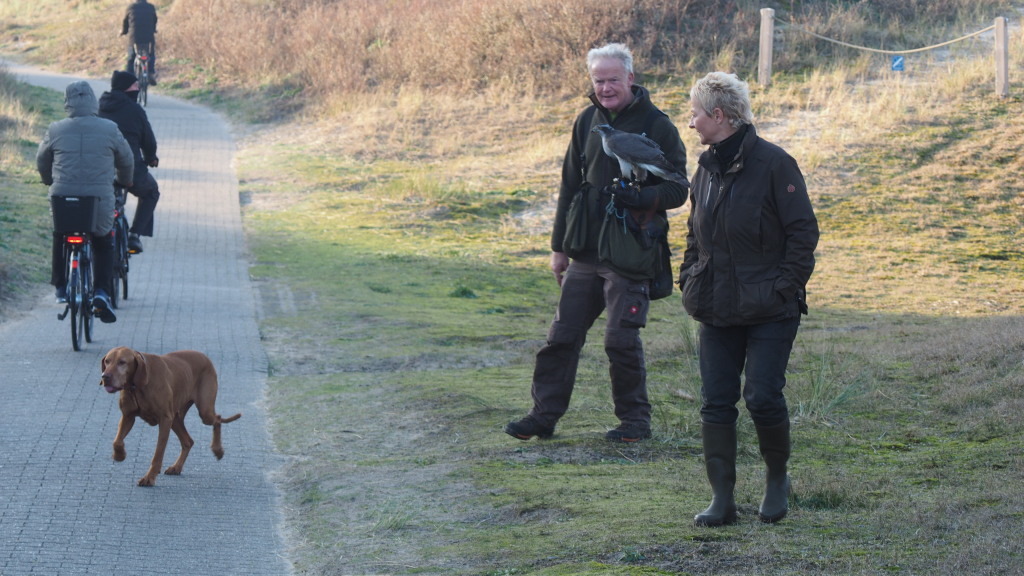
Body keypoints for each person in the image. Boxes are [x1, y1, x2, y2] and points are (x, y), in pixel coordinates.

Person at [505, 43, 688, 443]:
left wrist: (641, 196)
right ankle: (543, 416)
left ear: (630, 79)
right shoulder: (586, 120)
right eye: (598, 80)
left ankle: (634, 423)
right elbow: (569, 185)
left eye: (613, 80)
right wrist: (559, 248)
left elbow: (679, 189)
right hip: (585, 251)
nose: (605, 88)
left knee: (621, 341)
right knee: (561, 337)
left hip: (631, 252)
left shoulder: (658, 125)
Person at [680, 72, 819, 526]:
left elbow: (803, 233)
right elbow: (694, 233)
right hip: (715, 306)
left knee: (761, 395)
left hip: (770, 309)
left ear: (719, 115)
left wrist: (784, 288)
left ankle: (777, 480)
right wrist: (689, 276)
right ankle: (722, 500)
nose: (691, 122)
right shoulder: (705, 169)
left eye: (696, 114)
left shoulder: (776, 164)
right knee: (715, 401)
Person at [37, 81, 134, 323]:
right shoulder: (109, 129)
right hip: (99, 198)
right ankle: (101, 291)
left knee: (60, 234)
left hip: (63, 197)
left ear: (67, 102)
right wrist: (125, 181)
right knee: (103, 240)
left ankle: (60, 286)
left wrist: (48, 180)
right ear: (93, 101)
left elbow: (42, 159)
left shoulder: (56, 129)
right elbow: (126, 159)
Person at [100, 70, 161, 253]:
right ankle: (134, 235)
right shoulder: (135, 110)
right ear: (126, 88)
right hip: (131, 169)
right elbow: (148, 140)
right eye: (135, 85)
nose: (138, 88)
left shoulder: (100, 106)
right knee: (151, 192)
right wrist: (151, 157)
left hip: (102, 169)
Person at [121, 0, 158, 84]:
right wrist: (154, 29)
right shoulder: (151, 7)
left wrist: (124, 31)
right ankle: (150, 73)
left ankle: (129, 79)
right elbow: (155, 20)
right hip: (148, 36)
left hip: (134, 37)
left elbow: (126, 22)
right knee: (151, 54)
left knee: (131, 57)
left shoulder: (131, 7)